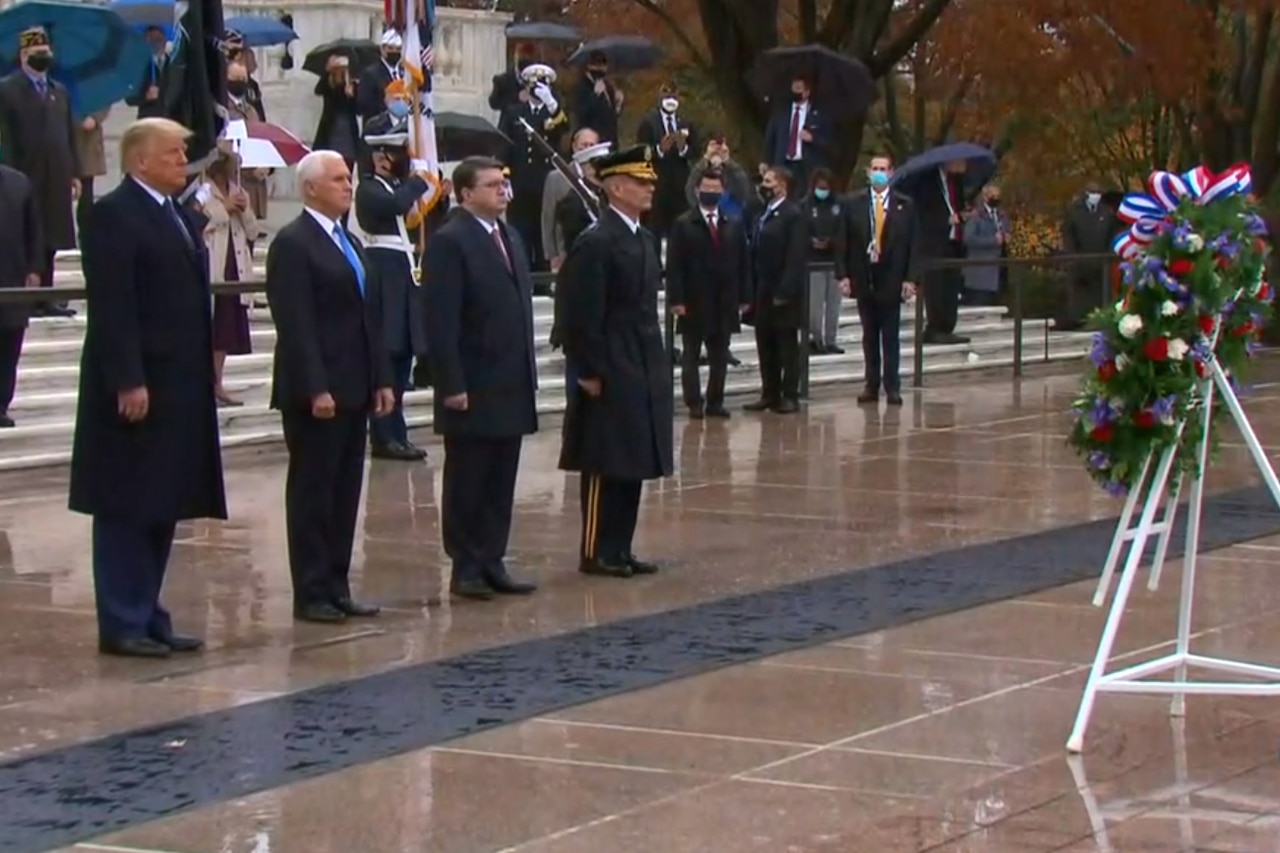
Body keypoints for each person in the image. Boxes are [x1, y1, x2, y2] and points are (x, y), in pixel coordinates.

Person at [67, 118, 228, 658]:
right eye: (174, 154)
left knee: (161, 500)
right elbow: (115, 305)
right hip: (135, 384)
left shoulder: (177, 214)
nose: (184, 161)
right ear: (140, 161)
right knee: (126, 502)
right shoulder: (114, 214)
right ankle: (122, 618)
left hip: (176, 382)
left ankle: (149, 610)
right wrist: (129, 379)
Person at [266, 150, 394, 624]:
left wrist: (382, 377)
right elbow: (295, 323)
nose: (348, 185)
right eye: (338, 179)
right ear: (311, 187)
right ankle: (312, 589)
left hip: (355, 385)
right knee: (313, 492)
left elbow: (369, 318)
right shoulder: (294, 244)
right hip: (317, 392)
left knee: (344, 492)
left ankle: (338, 584)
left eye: (349, 178)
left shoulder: (352, 244)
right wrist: (315, 386)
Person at [422, 156, 540, 600]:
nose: (502, 192)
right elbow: (441, 318)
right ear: (465, 193)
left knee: (500, 477)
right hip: (472, 381)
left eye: (504, 184)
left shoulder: (509, 236)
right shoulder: (451, 241)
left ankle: (493, 558)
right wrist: (450, 382)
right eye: (492, 185)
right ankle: (466, 564)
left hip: (509, 379)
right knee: (468, 478)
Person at [557, 144, 673, 578]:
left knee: (633, 459)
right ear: (616, 187)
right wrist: (588, 369)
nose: (649, 189)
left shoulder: (643, 238)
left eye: (650, 183)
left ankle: (620, 546)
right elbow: (580, 314)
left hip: (639, 361)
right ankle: (596, 550)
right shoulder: (597, 241)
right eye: (641, 183)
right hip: (608, 365)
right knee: (605, 461)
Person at [354, 123, 434, 461]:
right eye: (401, 154)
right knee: (387, 352)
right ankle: (383, 434)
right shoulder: (370, 188)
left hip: (402, 269)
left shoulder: (395, 185)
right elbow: (394, 205)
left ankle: (397, 432)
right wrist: (418, 181)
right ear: (382, 157)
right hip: (384, 268)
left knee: (401, 356)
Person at [0, 26, 80, 318]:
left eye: (46, 53)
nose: (43, 58)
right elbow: (5, 137)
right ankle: (27, 295)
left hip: (56, 175)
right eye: (36, 54)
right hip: (24, 173)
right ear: (23, 56)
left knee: (53, 236)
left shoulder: (59, 91)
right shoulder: (7, 89)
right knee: (28, 234)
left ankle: (48, 296)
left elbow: (68, 136)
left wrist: (75, 172)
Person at [666, 168, 751, 419]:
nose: (710, 193)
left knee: (719, 355)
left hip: (724, 300)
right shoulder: (683, 224)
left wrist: (745, 296)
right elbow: (675, 264)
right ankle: (694, 402)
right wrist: (676, 299)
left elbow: (743, 262)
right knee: (690, 355)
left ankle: (716, 401)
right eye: (706, 189)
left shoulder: (733, 223)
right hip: (693, 300)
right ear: (696, 191)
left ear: (723, 192)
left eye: (716, 190)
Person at [835, 154, 919, 407]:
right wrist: (843, 275)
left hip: (891, 277)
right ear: (868, 172)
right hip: (864, 276)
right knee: (869, 335)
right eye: (875, 168)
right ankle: (871, 384)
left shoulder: (905, 205)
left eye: (883, 169)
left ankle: (892, 386)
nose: (879, 173)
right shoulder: (853, 203)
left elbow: (914, 244)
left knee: (890, 335)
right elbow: (843, 242)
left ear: (891, 173)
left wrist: (911, 279)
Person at [194, 149, 256, 406]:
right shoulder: (202, 190)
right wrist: (224, 209)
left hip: (236, 263)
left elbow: (252, 231)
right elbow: (197, 221)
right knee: (212, 324)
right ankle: (205, 382)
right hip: (214, 260)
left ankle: (217, 381)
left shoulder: (239, 189)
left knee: (226, 328)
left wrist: (243, 210)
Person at [743, 166, 807, 414]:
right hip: (762, 288)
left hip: (783, 291)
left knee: (786, 344)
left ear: (782, 185)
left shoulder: (793, 214)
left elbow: (795, 255)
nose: (764, 185)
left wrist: (786, 290)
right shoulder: (763, 214)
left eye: (769, 181)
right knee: (765, 343)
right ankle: (769, 392)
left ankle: (789, 394)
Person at [0, 164, 42, 428]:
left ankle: (1, 404)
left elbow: (34, 230)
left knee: (8, 347)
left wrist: (35, 268)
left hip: (12, 277)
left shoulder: (19, 183)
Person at [635, 82, 697, 246]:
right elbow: (641, 153)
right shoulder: (648, 122)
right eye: (666, 94)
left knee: (680, 232)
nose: (670, 99)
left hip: (680, 187)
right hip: (657, 186)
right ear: (659, 97)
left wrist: (683, 148)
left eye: (673, 95)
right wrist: (659, 149)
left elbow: (696, 151)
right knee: (654, 232)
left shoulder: (685, 122)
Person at [762, 77, 828, 199]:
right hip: (783, 162)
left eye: (798, 89)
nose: (794, 93)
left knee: (802, 196)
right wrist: (766, 160)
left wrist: (812, 138)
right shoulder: (781, 111)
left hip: (804, 165)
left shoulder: (819, 114)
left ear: (807, 92)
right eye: (793, 88)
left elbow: (828, 142)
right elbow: (770, 136)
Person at [803, 167, 843, 354]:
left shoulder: (839, 205)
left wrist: (832, 242)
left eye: (826, 186)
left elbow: (844, 230)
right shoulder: (805, 205)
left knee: (834, 304)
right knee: (815, 305)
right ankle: (815, 339)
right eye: (820, 186)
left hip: (835, 261)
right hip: (813, 263)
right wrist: (811, 241)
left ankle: (831, 340)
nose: (823, 189)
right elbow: (799, 230)